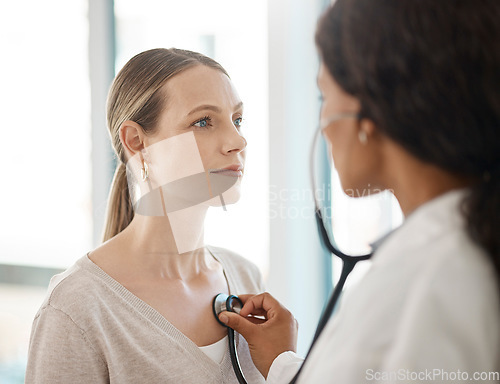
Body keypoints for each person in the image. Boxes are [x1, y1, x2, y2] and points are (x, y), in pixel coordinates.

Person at [219, 1, 500, 383]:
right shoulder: (450, 250)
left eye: (324, 96)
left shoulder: (432, 275)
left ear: (369, 111)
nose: (323, 122)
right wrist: (285, 364)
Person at [26, 48, 265, 384]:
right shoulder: (76, 309)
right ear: (137, 142)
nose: (237, 140)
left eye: (237, 120)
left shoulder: (246, 278)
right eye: (203, 122)